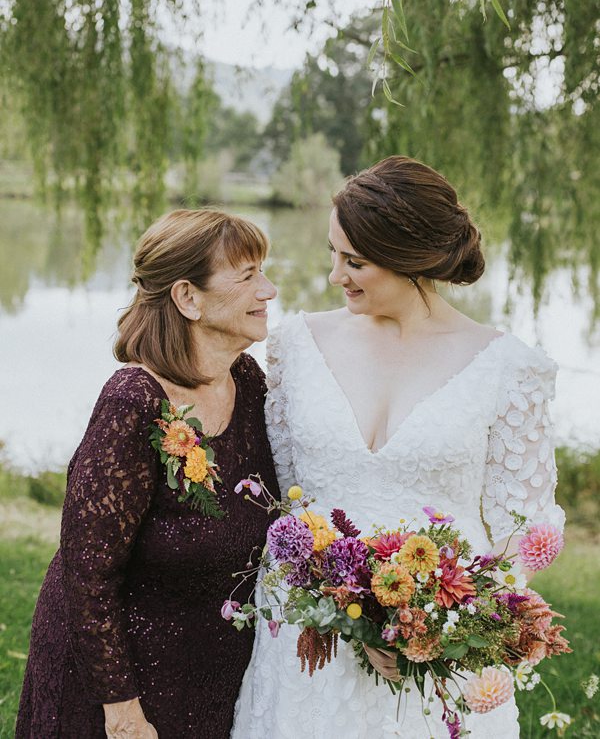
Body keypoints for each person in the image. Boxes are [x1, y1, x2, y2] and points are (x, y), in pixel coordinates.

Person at [232, 156, 565, 739]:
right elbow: (286, 498)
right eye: (333, 253)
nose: (337, 274)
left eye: (354, 260)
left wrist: (435, 632)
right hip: (311, 643)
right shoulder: (295, 348)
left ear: (411, 258)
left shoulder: (509, 369)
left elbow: (520, 537)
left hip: (438, 652)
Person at [16, 209, 279, 739]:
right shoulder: (133, 402)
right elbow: (87, 573)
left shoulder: (248, 382)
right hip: (117, 679)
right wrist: (121, 709)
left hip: (207, 671)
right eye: (248, 276)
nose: (268, 291)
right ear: (188, 298)